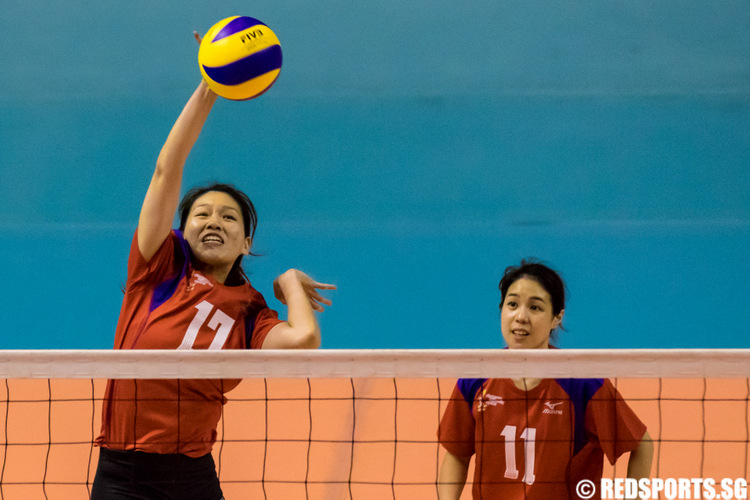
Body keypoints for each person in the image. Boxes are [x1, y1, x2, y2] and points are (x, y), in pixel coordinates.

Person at [91, 68, 335, 498]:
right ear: (182, 231)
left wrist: (291, 283)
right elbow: (168, 168)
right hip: (124, 474)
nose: (213, 222)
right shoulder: (158, 269)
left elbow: (303, 339)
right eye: (201, 215)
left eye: (228, 218)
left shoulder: (250, 311)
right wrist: (210, 86)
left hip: (192, 476)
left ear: (246, 241)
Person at [437, 259, 653, 500]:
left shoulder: (582, 384)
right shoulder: (475, 379)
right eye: (512, 304)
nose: (520, 317)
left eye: (535, 307)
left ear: (556, 318)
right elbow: (457, 454)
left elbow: (641, 445)